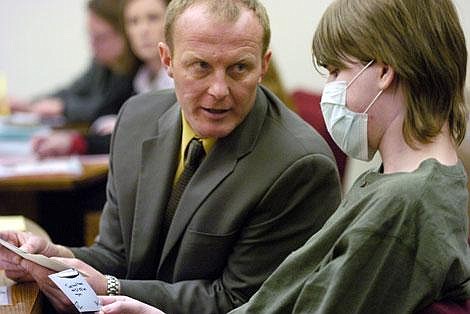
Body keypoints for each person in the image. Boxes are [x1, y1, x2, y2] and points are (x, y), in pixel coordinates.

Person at [95, 0, 470, 313]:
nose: (330, 88)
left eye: (337, 69)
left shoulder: (401, 204)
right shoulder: (404, 183)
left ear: (385, 72)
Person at [0, 0, 341, 313]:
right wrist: (56, 258)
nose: (219, 90)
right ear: (167, 61)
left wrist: (109, 286)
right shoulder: (136, 119)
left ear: (263, 65)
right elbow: (117, 255)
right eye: (201, 66)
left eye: (239, 68)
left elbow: (239, 301)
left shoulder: (299, 166)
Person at [31, 0, 173, 157]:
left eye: (153, 18)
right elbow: (105, 112)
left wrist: (77, 142)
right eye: (133, 22)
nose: (143, 30)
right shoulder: (139, 76)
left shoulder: (180, 78)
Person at [9, 0, 138, 124]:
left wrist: (63, 107)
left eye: (100, 38)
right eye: (90, 35)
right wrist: (30, 104)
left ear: (126, 33)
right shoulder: (102, 64)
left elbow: (103, 108)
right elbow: (72, 90)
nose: (92, 46)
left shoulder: (138, 71)